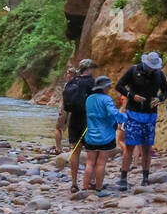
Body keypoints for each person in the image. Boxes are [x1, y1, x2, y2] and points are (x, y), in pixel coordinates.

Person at [115, 50, 167, 190]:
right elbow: (119, 86)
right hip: (133, 113)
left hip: (150, 115)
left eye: (155, 67)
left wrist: (160, 99)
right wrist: (132, 96)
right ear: (145, 63)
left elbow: (166, 91)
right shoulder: (134, 70)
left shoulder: (158, 74)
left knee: (147, 147)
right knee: (129, 147)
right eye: (151, 66)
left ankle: (145, 178)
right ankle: (123, 178)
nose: (153, 69)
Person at [81, 76, 126, 193]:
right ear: (104, 87)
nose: (110, 88)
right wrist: (124, 117)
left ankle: (85, 187)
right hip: (105, 137)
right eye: (109, 86)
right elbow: (113, 113)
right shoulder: (106, 99)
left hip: (90, 136)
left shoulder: (89, 99)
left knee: (90, 163)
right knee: (101, 163)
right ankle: (98, 188)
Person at [62, 59, 96, 194]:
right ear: (88, 69)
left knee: (75, 151)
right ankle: (90, 182)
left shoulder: (71, 83)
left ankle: (74, 183)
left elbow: (65, 105)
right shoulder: (93, 83)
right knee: (91, 152)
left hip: (74, 120)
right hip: (88, 120)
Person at [54, 65, 76, 152]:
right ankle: (73, 148)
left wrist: (61, 111)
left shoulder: (67, 85)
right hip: (75, 111)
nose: (66, 75)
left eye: (67, 73)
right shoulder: (79, 84)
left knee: (58, 128)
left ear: (70, 74)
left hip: (65, 109)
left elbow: (64, 99)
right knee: (73, 129)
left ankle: (58, 148)